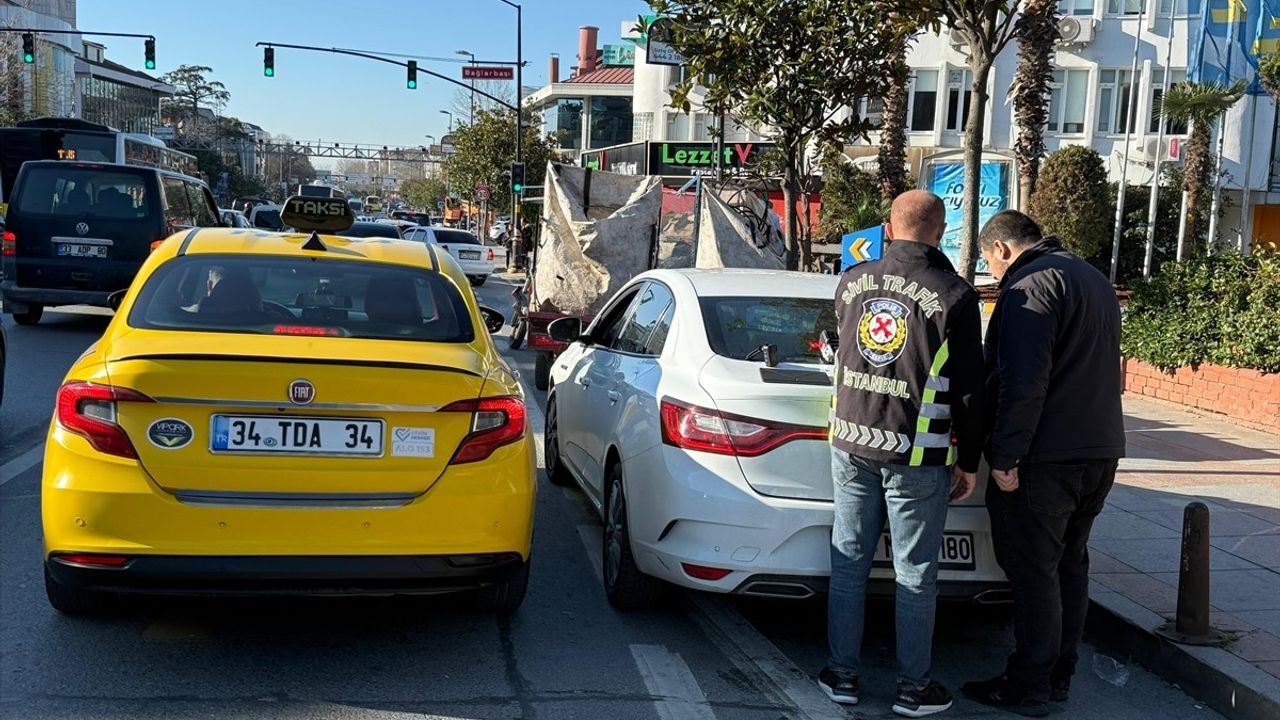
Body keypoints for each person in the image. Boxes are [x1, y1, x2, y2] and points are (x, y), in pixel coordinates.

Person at [820, 189, 985, 717]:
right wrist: (970, 460)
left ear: (888, 228)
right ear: (940, 232)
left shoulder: (850, 282)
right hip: (917, 451)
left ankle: (842, 676)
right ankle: (914, 689)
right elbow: (968, 390)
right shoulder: (956, 296)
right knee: (914, 573)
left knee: (849, 565)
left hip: (850, 441)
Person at [962, 211, 1124, 717]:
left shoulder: (1029, 286)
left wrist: (1007, 453)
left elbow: (1022, 380)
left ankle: (1029, 684)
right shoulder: (1091, 277)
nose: (992, 274)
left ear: (1003, 249)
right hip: (1098, 449)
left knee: (1034, 573)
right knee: (1071, 565)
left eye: (990, 262)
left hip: (1044, 456)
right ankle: (1058, 674)